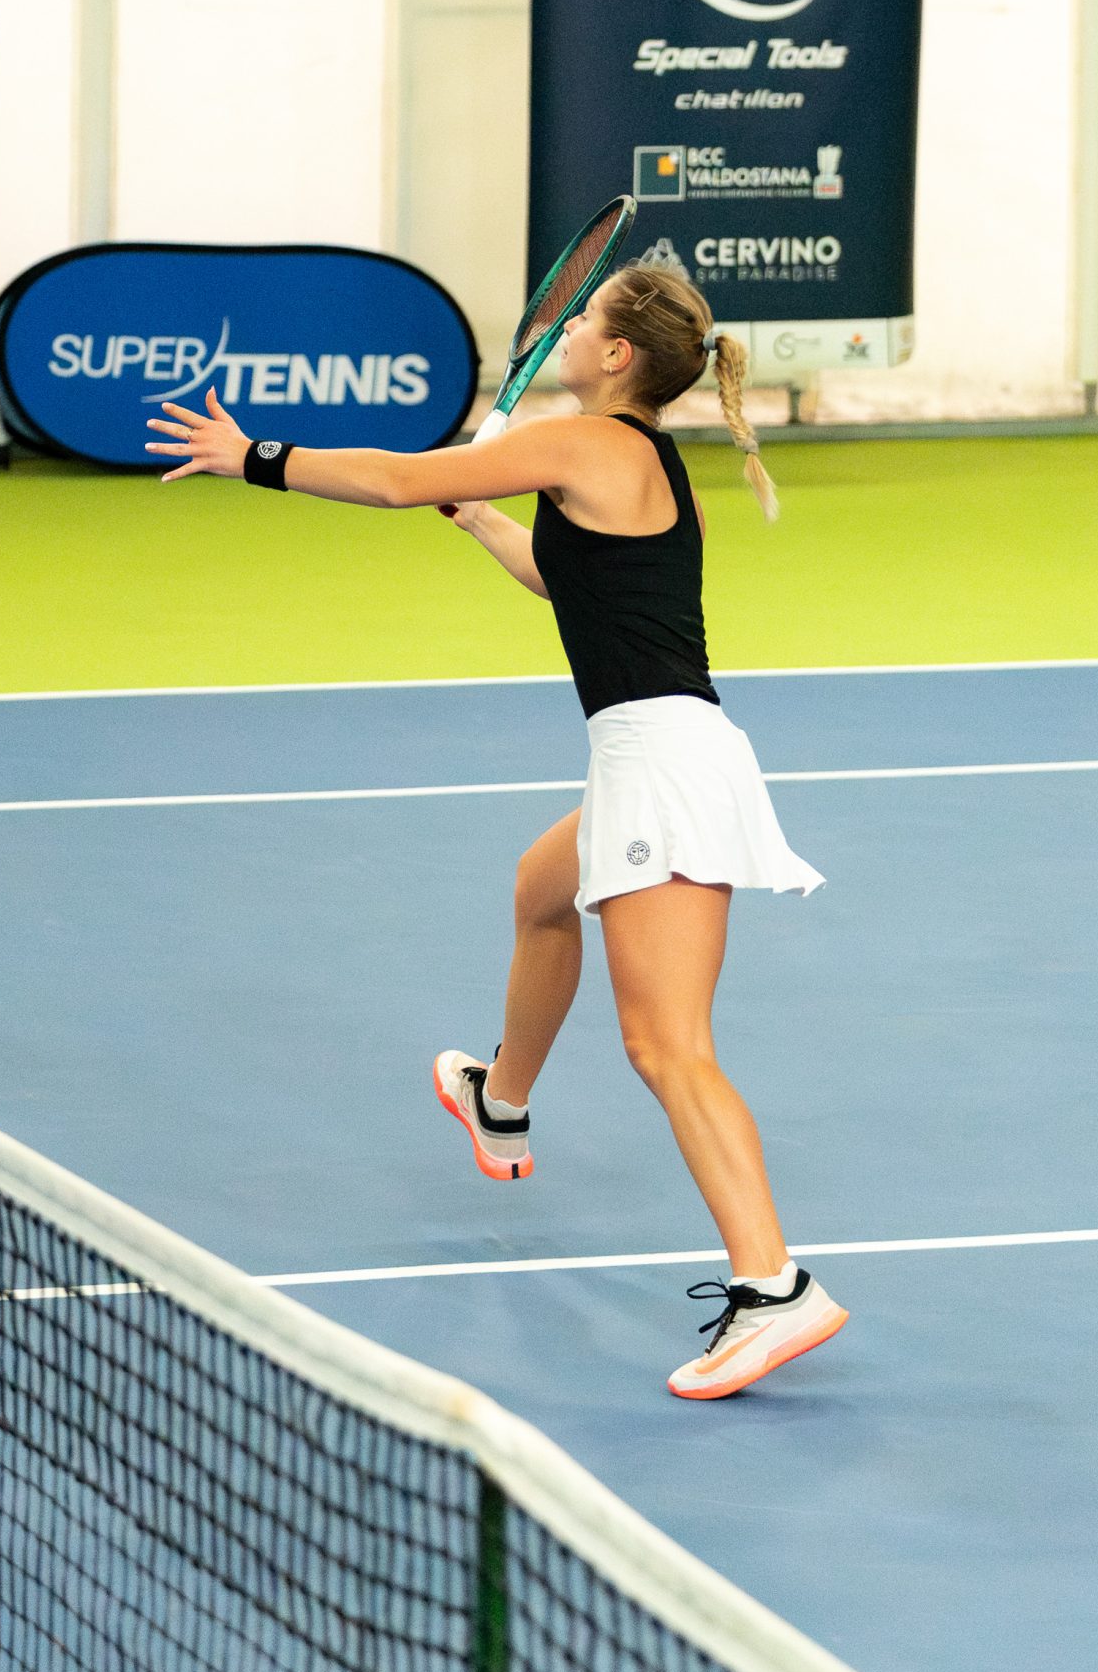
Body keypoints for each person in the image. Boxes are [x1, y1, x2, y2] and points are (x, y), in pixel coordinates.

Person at [145, 261, 846, 1399]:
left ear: (617, 355)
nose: (564, 330)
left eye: (584, 318)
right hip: (657, 754)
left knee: (667, 1047)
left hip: (662, 766)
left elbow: (391, 479)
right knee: (539, 893)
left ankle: (774, 1288)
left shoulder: (585, 446)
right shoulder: (631, 458)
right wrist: (478, 518)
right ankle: (499, 1099)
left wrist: (254, 456)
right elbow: (568, 583)